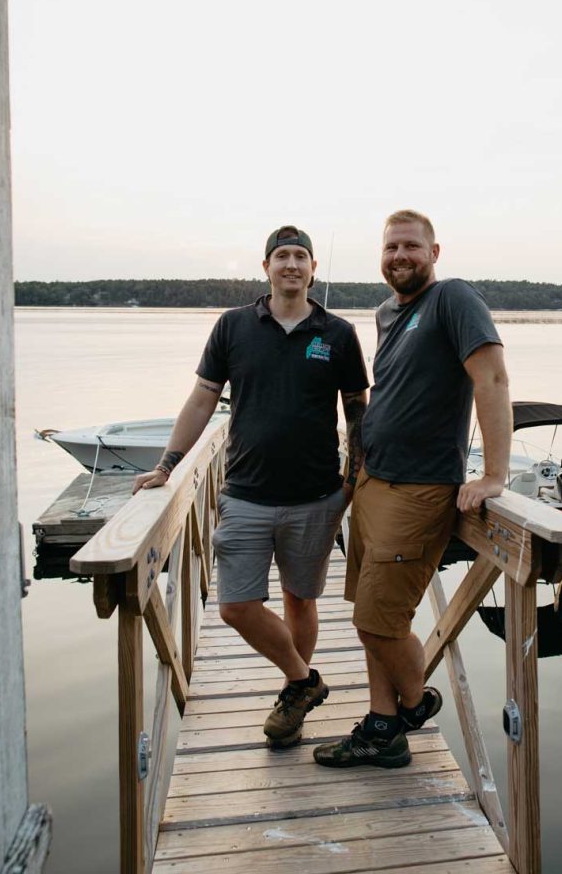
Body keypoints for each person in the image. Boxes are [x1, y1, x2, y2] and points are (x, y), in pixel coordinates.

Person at [133, 225, 368, 748]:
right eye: (282, 256)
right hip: (245, 493)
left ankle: (291, 700)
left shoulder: (338, 334)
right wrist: (167, 465)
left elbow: (357, 412)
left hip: (316, 497)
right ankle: (305, 680)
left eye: (301, 256)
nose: (291, 264)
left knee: (300, 601)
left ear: (313, 269)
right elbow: (202, 399)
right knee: (235, 606)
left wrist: (352, 482)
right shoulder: (233, 326)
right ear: (266, 267)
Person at [314, 209, 511, 770]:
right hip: (374, 483)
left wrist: (493, 475)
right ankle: (383, 729)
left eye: (411, 246)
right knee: (375, 617)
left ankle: (414, 701)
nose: (399, 256)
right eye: (390, 247)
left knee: (375, 623)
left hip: (420, 489)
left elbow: (492, 378)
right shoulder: (386, 313)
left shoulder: (453, 299)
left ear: (434, 252)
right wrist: (354, 474)